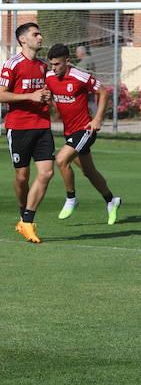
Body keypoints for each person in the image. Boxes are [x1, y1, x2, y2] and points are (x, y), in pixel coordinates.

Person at [45, 43, 121, 224]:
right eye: (52, 65)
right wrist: (51, 104)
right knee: (88, 171)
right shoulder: (49, 77)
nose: (54, 68)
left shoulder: (80, 76)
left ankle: (71, 198)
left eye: (57, 64)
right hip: (69, 131)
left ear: (68, 61)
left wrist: (98, 118)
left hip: (85, 129)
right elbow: (55, 99)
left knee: (61, 160)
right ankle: (111, 200)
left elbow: (103, 92)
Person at [0, 22, 54, 243]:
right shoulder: (11, 65)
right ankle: (23, 211)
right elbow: (1, 95)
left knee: (47, 173)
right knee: (22, 178)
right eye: (36, 34)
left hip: (42, 125)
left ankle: (27, 221)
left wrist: (45, 96)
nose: (40, 37)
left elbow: (41, 92)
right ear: (23, 39)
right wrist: (29, 96)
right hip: (19, 127)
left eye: (40, 33)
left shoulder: (42, 66)